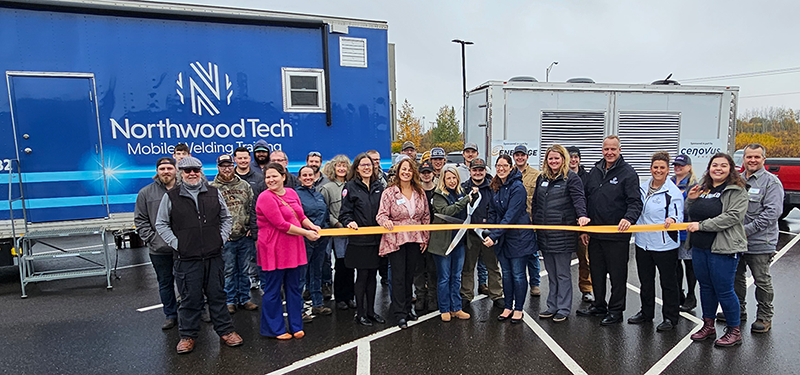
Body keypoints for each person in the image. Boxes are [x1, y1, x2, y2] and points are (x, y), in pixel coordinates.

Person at [154, 156, 242, 353]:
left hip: (213, 256)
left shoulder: (213, 192)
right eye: (187, 171)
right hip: (186, 258)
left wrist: (221, 239)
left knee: (218, 295)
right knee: (189, 298)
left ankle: (226, 331)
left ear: (201, 171)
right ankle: (187, 336)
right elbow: (161, 224)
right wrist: (177, 243)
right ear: (181, 173)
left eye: (195, 170)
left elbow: (226, 218)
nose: (192, 173)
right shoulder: (172, 197)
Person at [577, 135, 642, 326]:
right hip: (595, 234)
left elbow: (635, 202)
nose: (609, 152)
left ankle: (616, 311)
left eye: (613, 149)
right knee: (596, 272)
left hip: (617, 236)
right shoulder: (595, 171)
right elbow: (586, 199)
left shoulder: (628, 173)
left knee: (617, 275)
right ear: (602, 150)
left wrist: (628, 219)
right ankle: (599, 305)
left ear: (619, 150)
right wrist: (584, 229)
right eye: (606, 149)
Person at [686, 153, 748, 347]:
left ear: (730, 169)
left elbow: (732, 216)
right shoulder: (704, 189)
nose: (718, 169)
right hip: (700, 247)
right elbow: (692, 212)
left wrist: (702, 226)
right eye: (714, 165)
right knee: (705, 287)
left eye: (723, 165)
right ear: (709, 168)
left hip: (723, 247)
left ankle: (734, 331)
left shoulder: (736, 190)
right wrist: (691, 200)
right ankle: (708, 325)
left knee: (725, 290)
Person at [255, 162, 321, 339]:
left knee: (294, 287)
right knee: (273, 289)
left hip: (293, 246)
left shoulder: (291, 193)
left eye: (274, 176)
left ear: (283, 177)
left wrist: (311, 226)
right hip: (273, 247)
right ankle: (274, 329)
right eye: (268, 177)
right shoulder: (265, 197)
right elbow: (281, 224)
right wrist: (307, 233)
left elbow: (301, 216)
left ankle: (295, 325)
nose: (271, 180)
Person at [726, 143, 782, 333]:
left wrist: (747, 230)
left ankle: (765, 317)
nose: (752, 160)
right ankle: (738, 311)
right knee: (736, 278)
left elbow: (772, 213)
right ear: (744, 159)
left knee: (762, 280)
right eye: (749, 157)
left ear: (763, 159)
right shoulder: (737, 180)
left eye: (757, 157)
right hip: (736, 241)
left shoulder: (771, 182)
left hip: (760, 242)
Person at [532, 145, 590, 323]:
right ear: (546, 160)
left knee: (563, 273)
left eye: (557, 158)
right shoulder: (542, 178)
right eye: (550, 158)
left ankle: (563, 308)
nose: (554, 161)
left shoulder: (571, 178)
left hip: (563, 233)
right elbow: (535, 203)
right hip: (545, 233)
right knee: (551, 272)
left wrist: (582, 216)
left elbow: (579, 198)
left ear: (563, 159)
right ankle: (552, 306)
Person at [628, 151, 683, 332]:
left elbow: (678, 215)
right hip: (643, 243)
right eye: (655, 167)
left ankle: (670, 317)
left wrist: (673, 221)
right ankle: (646, 313)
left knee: (668, 283)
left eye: (662, 168)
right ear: (651, 168)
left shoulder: (672, 192)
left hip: (664, 245)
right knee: (646, 281)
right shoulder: (642, 188)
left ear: (668, 171)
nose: (658, 171)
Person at [376, 157, 430, 329]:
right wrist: (385, 222)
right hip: (396, 240)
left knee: (409, 276)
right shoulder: (390, 192)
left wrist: (425, 237)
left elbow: (426, 216)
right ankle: (399, 313)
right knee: (398, 277)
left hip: (415, 238)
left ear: (413, 172)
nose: (406, 172)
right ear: (398, 172)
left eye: (409, 169)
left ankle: (408, 308)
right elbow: (381, 215)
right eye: (403, 169)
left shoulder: (419, 192)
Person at [484, 154, 536, 324]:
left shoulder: (517, 187)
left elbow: (510, 215)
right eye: (498, 165)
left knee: (518, 275)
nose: (501, 168)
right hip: (503, 239)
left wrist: (493, 235)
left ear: (511, 167)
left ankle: (519, 308)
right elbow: (492, 211)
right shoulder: (496, 186)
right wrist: (490, 230)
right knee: (506, 274)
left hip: (518, 238)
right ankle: (508, 306)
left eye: (504, 165)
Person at [339, 153, 386, 326]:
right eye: (363, 165)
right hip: (360, 240)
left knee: (373, 276)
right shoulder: (350, 187)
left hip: (376, 239)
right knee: (362, 276)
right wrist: (349, 221)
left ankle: (371, 312)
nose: (367, 167)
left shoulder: (379, 186)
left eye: (369, 165)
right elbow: (344, 212)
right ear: (357, 168)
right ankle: (360, 314)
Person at [134, 157, 179, 330]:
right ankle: (170, 314)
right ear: (157, 171)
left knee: (189, 283)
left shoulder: (184, 190)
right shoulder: (145, 193)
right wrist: (152, 239)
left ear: (175, 170)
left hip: (183, 248)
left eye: (169, 168)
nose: (166, 172)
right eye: (162, 169)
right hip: (159, 249)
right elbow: (140, 220)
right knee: (165, 283)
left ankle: (195, 311)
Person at [210, 154, 258, 314]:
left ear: (233, 165)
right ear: (218, 167)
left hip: (244, 235)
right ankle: (229, 300)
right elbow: (211, 214)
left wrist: (252, 226)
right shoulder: (213, 188)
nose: (226, 169)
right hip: (226, 238)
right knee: (228, 271)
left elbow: (252, 207)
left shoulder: (244, 185)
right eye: (223, 166)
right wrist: (220, 233)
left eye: (229, 165)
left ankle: (244, 298)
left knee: (244, 269)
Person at [429, 166, 472, 321]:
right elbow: (446, 212)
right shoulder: (439, 195)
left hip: (459, 241)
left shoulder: (461, 192)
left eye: (454, 177)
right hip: (443, 243)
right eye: (448, 178)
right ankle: (445, 308)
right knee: (444, 277)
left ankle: (456, 307)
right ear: (443, 180)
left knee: (456, 276)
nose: (452, 181)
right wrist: (466, 200)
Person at [460, 158, 504, 309]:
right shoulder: (464, 188)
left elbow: (497, 209)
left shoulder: (493, 187)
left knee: (492, 266)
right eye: (475, 170)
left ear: (485, 171)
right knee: (468, 267)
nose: (478, 173)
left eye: (481, 170)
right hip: (470, 234)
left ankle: (497, 295)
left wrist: (492, 231)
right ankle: (466, 295)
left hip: (488, 234)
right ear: (470, 171)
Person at [296, 165, 332, 317]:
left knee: (316, 272)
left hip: (320, 239)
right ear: (299, 178)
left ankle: (318, 304)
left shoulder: (319, 194)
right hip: (304, 240)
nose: (308, 177)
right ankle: (299, 309)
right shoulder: (296, 195)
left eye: (310, 175)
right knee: (301, 276)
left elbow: (325, 214)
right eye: (304, 175)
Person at [320, 155, 354, 311]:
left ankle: (350, 296)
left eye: (344, 166)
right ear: (333, 168)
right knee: (341, 265)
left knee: (351, 265)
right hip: (338, 232)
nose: (342, 169)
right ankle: (340, 297)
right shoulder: (327, 188)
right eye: (338, 166)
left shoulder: (352, 185)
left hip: (353, 231)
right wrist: (337, 223)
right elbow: (324, 210)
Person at [232, 146, 265, 290]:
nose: (243, 160)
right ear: (235, 159)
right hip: (233, 232)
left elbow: (260, 205)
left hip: (252, 228)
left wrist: (253, 226)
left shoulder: (259, 178)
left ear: (250, 159)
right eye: (240, 158)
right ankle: (233, 299)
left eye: (245, 158)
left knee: (257, 260)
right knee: (232, 268)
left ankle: (252, 292)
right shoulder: (229, 178)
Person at [514, 145, 542, 298]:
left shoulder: (536, 175)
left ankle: (535, 284)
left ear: (527, 157)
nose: (520, 158)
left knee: (532, 255)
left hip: (530, 222)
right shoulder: (509, 173)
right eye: (517, 155)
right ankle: (515, 284)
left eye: (522, 155)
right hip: (513, 224)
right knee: (515, 257)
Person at [671, 154, 698, 312]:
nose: (677, 167)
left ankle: (691, 295)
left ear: (689, 167)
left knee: (689, 264)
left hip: (687, 232)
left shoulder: (694, 185)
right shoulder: (670, 182)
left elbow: (693, 208)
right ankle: (678, 292)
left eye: (681, 165)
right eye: (675, 165)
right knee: (675, 264)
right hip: (672, 231)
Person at [567, 145, 594, 303]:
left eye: (576, 157)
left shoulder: (587, 177)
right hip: (566, 225)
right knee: (562, 262)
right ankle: (563, 293)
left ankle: (586, 289)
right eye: (570, 157)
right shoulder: (562, 175)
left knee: (585, 259)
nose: (573, 160)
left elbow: (590, 200)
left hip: (582, 226)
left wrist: (584, 222)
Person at [414, 161, 438, 312]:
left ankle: (432, 297)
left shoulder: (438, 191)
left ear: (433, 173)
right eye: (423, 172)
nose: (426, 175)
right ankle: (420, 297)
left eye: (428, 172)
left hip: (435, 237)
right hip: (418, 236)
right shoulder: (416, 192)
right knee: (418, 270)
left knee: (432, 269)